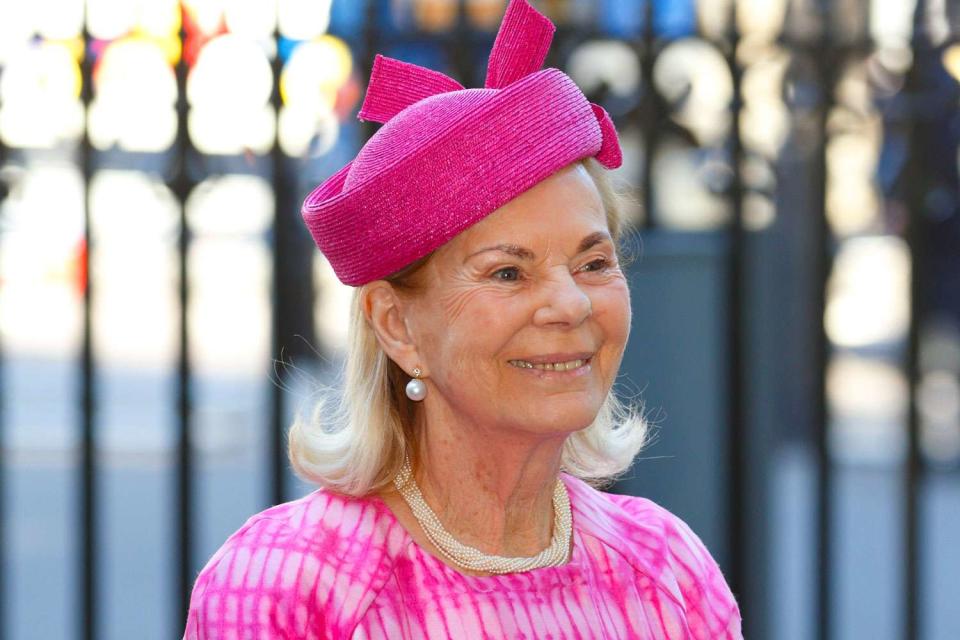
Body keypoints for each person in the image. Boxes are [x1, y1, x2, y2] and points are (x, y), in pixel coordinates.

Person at [182, 1, 743, 638]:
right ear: (395, 326)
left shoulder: (664, 568)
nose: (572, 303)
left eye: (593, 262)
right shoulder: (291, 583)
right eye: (509, 272)